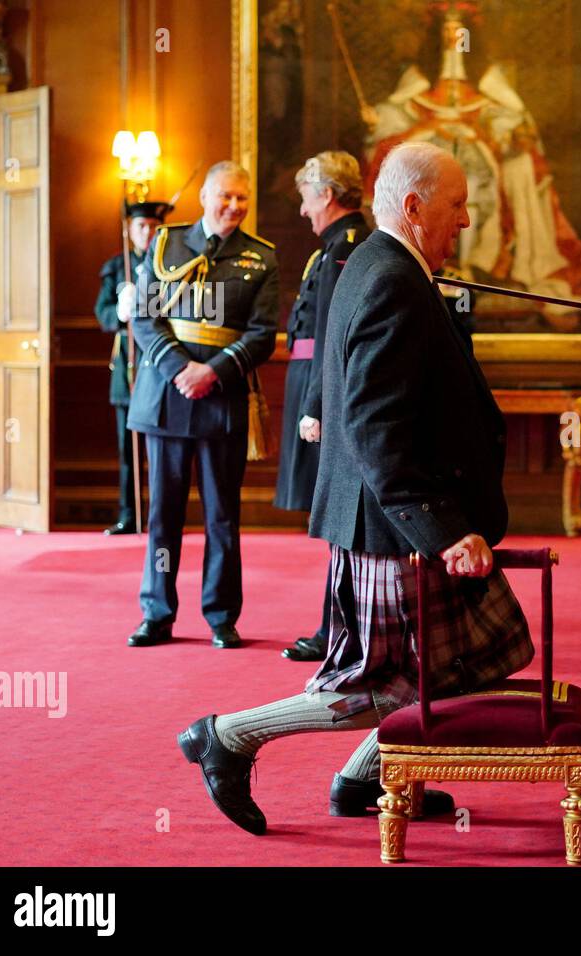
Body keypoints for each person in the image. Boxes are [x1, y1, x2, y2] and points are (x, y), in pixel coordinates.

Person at [177, 143, 534, 833]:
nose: (466, 219)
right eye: (457, 206)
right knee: (379, 687)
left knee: (480, 658)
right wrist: (441, 530)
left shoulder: (389, 262)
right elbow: (374, 426)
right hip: (395, 526)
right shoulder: (390, 278)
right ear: (414, 206)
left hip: (405, 516)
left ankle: (363, 779)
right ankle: (227, 737)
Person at [124, 162, 279, 649]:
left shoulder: (261, 258)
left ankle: (220, 616)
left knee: (221, 518)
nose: (235, 206)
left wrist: (211, 372)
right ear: (207, 196)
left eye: (243, 199)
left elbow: (262, 335)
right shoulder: (167, 243)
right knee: (164, 518)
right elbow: (145, 318)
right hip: (167, 398)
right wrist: (180, 369)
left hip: (221, 398)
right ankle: (158, 612)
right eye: (226, 197)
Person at [274, 151, 371, 663]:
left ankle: (336, 629)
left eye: (307, 197)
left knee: (339, 517)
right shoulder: (336, 244)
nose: (303, 209)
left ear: (327, 194)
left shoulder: (346, 246)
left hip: (322, 395)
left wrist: (315, 407)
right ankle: (337, 626)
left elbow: (334, 338)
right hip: (314, 387)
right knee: (335, 517)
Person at [93, 200, 170, 535]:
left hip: (161, 362)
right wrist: (119, 314)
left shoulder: (170, 265)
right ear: (129, 230)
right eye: (140, 226)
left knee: (161, 448)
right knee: (128, 449)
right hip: (127, 366)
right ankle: (129, 513)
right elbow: (103, 313)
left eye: (153, 227)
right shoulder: (116, 267)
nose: (147, 233)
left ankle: (160, 515)